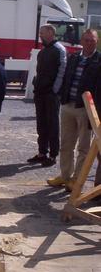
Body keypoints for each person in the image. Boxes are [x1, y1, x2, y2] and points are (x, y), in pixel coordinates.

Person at [47, 29, 100, 189]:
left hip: (85, 109)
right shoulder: (74, 57)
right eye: (86, 40)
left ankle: (76, 180)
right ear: (81, 41)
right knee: (66, 145)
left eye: (92, 40)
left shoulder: (99, 60)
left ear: (96, 42)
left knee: (83, 148)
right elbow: (64, 77)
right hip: (67, 105)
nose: (89, 43)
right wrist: (60, 95)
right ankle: (64, 176)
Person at [27, 24, 66, 167]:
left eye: (42, 32)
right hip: (40, 93)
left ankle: (53, 155)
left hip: (51, 94)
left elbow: (62, 70)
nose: (40, 35)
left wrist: (55, 90)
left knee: (52, 125)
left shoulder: (59, 49)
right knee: (41, 124)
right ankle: (42, 152)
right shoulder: (43, 52)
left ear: (50, 33)